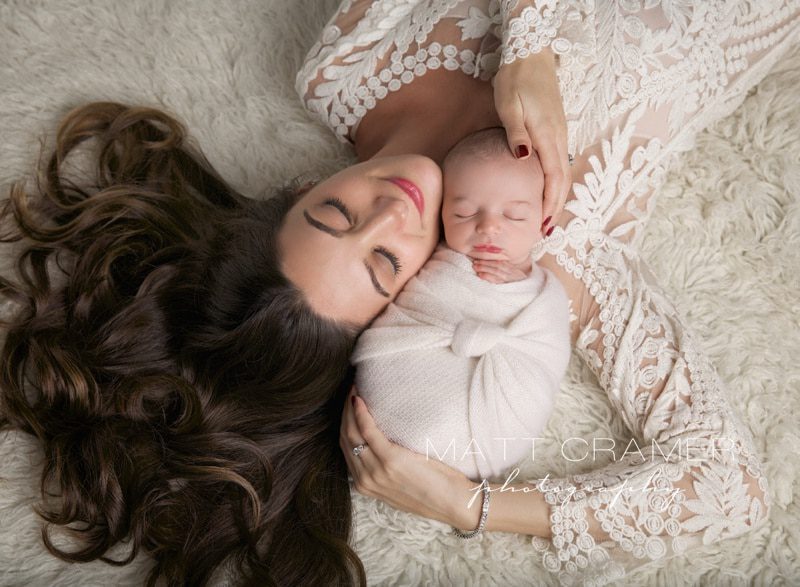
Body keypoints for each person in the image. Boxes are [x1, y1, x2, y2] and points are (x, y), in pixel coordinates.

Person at [291, 0, 800, 584]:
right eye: (384, 262)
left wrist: (528, 44)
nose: (387, 213)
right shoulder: (560, 260)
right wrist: (472, 506)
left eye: (333, 213)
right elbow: (727, 484)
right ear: (398, 305)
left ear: (301, 188)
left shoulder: (343, 71)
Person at [350, 126, 572, 481]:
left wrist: (520, 283)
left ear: (543, 220)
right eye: (464, 214)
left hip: (493, 412)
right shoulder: (430, 258)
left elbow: (548, 350)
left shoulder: (542, 292)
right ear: (441, 214)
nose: (488, 227)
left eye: (514, 216)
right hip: (405, 379)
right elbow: (404, 308)